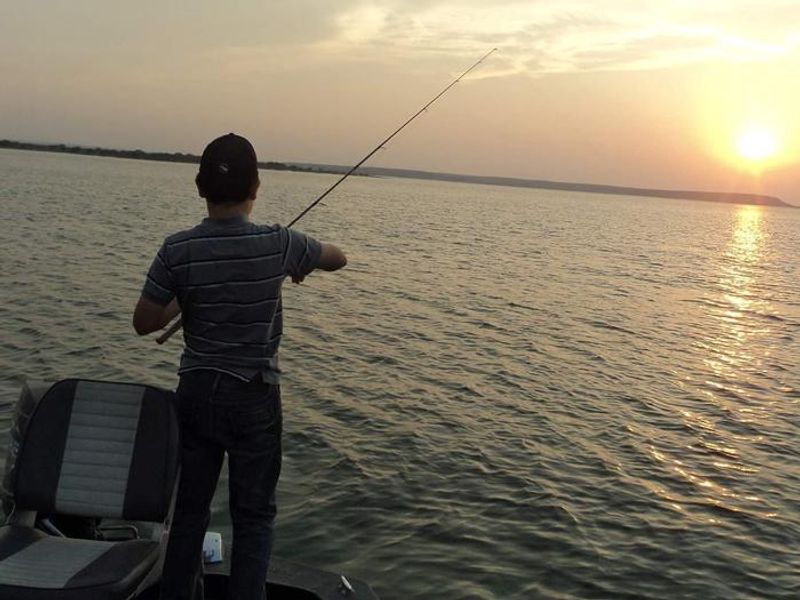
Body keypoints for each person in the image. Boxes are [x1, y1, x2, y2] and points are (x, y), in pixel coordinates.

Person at [132, 133, 347, 600]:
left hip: (194, 392)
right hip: (253, 396)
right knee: (253, 517)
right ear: (257, 188)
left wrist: (182, 303)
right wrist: (299, 265)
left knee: (189, 511)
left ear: (198, 186)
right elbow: (338, 258)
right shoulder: (281, 243)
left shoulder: (176, 249)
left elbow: (144, 322)